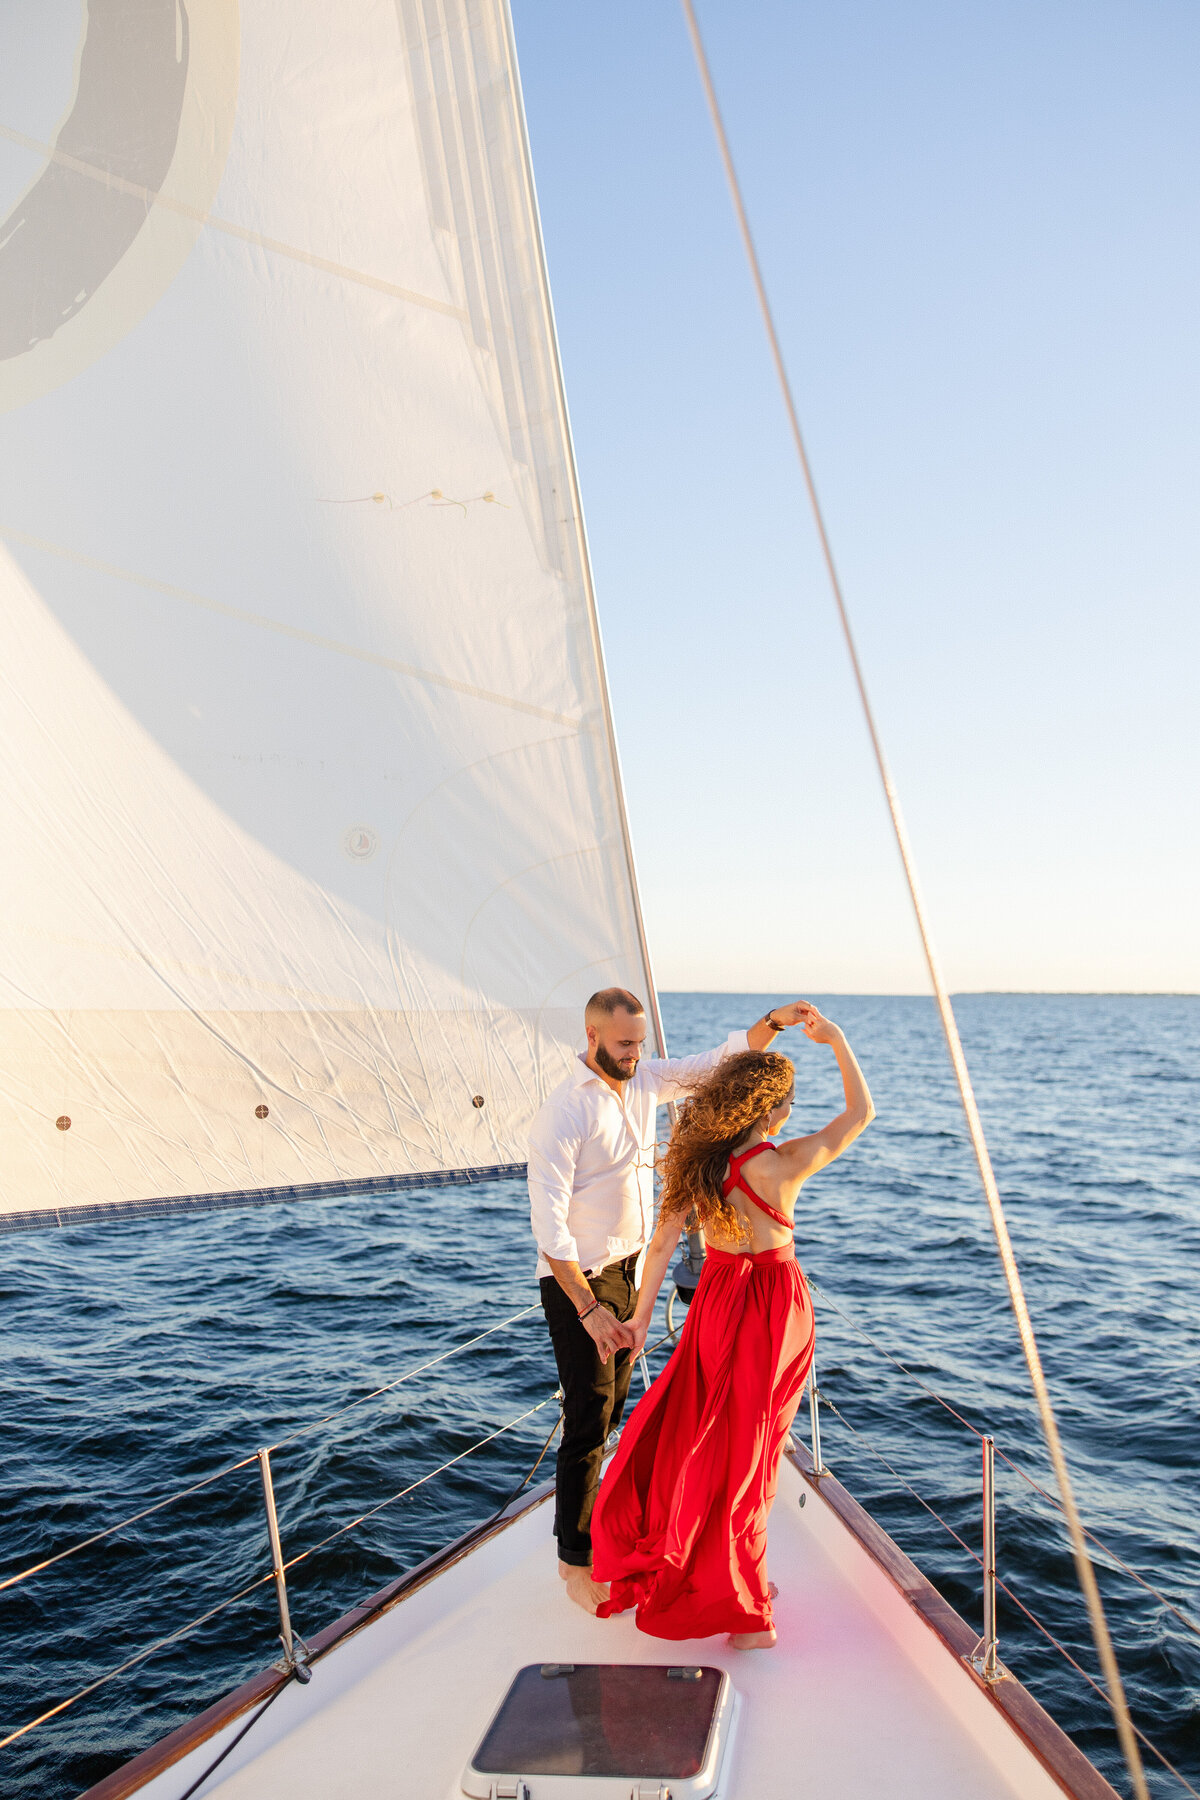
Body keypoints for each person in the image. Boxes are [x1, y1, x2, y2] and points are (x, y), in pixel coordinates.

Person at [590, 1002, 873, 1648]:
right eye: (787, 1104)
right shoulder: (784, 1164)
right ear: (773, 1110)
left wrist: (637, 1323)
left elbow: (659, 1249)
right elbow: (861, 1116)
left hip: (716, 1303)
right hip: (773, 1307)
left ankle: (714, 1576)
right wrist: (838, 1040)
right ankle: (745, 1610)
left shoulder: (701, 1166)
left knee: (698, 1436)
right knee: (753, 1454)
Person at [528, 986, 815, 1615]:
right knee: (589, 1413)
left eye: (639, 1044)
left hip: (631, 1268)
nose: (635, 1054)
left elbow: (716, 1063)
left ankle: (611, 1533)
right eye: (624, 1043)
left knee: (616, 1407)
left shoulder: (645, 1080)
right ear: (592, 1034)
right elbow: (548, 1229)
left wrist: (774, 1023)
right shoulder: (562, 1113)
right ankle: (574, 1563)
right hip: (582, 1278)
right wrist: (589, 1308)